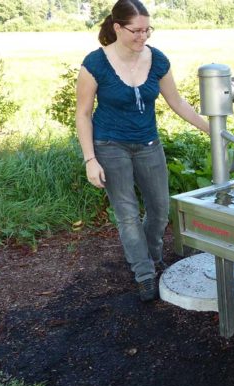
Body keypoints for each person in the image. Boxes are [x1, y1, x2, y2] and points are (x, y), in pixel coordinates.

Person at [76, 0, 210, 302]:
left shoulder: (158, 60)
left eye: (147, 30)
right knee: (127, 215)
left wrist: (212, 130)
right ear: (117, 28)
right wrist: (90, 159)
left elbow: (177, 102)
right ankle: (145, 274)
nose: (143, 36)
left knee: (160, 209)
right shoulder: (95, 64)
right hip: (109, 145)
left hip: (149, 144)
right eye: (136, 31)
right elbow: (83, 114)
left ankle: (149, 256)